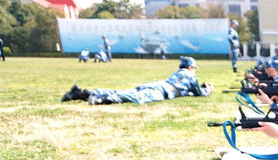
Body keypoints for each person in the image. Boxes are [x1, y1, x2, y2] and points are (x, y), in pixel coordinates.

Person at [61, 56, 213, 104]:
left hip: (158, 84)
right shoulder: (190, 75)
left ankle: (85, 93)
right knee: (134, 97)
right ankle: (100, 99)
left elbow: (188, 92)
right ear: (191, 67)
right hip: (163, 91)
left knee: (127, 91)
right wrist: (208, 89)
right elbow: (198, 92)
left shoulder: (177, 73)